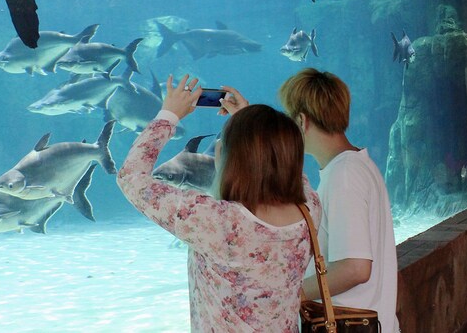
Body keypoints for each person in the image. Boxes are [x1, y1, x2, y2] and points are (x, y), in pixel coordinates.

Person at [117, 74, 321, 332]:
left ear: (221, 153)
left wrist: (168, 115)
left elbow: (131, 177)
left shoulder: (216, 221)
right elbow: (288, 167)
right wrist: (248, 121)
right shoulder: (310, 210)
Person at [267, 68, 399, 331]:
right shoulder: (356, 165)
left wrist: (292, 293)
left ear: (302, 121)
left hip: (350, 325)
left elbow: (356, 268)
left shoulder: (344, 176)